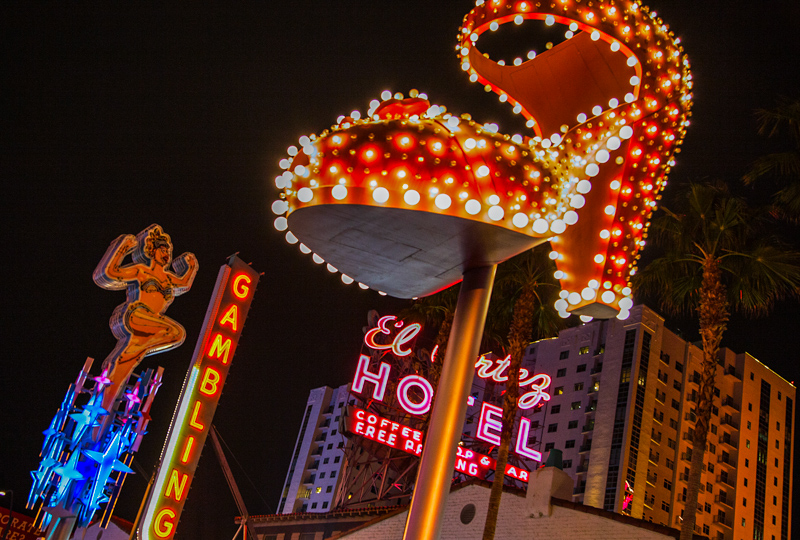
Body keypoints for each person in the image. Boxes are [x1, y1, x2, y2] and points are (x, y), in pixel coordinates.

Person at [93, 224, 198, 409]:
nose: (166, 254)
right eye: (162, 249)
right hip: (137, 315)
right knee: (175, 331)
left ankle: (102, 408)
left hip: (151, 325)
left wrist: (190, 267)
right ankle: (133, 352)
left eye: (168, 251)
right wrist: (121, 248)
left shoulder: (168, 279)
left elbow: (184, 284)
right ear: (152, 250)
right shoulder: (142, 271)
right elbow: (108, 274)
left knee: (125, 363)